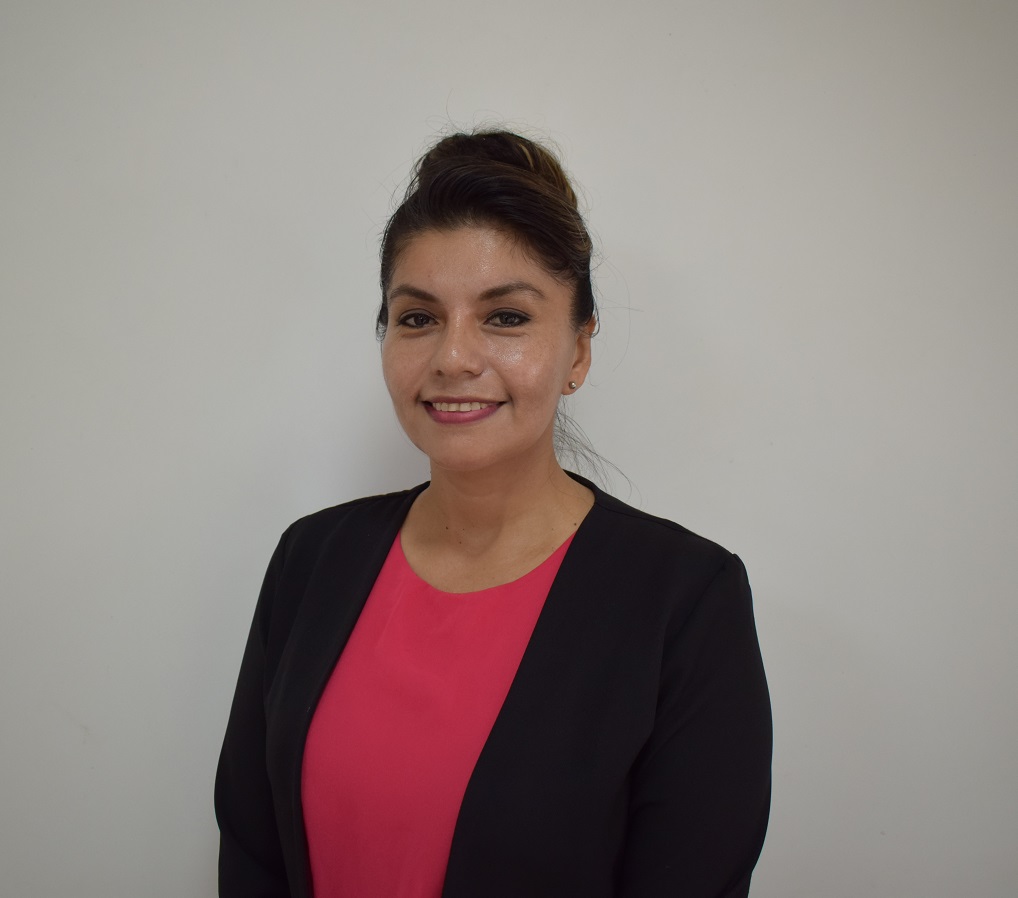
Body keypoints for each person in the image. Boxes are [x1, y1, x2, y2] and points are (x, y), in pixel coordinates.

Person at [215, 130, 772, 898]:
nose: (453, 358)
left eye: (505, 317)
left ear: (578, 351)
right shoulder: (311, 560)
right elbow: (253, 853)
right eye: (418, 318)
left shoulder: (685, 601)